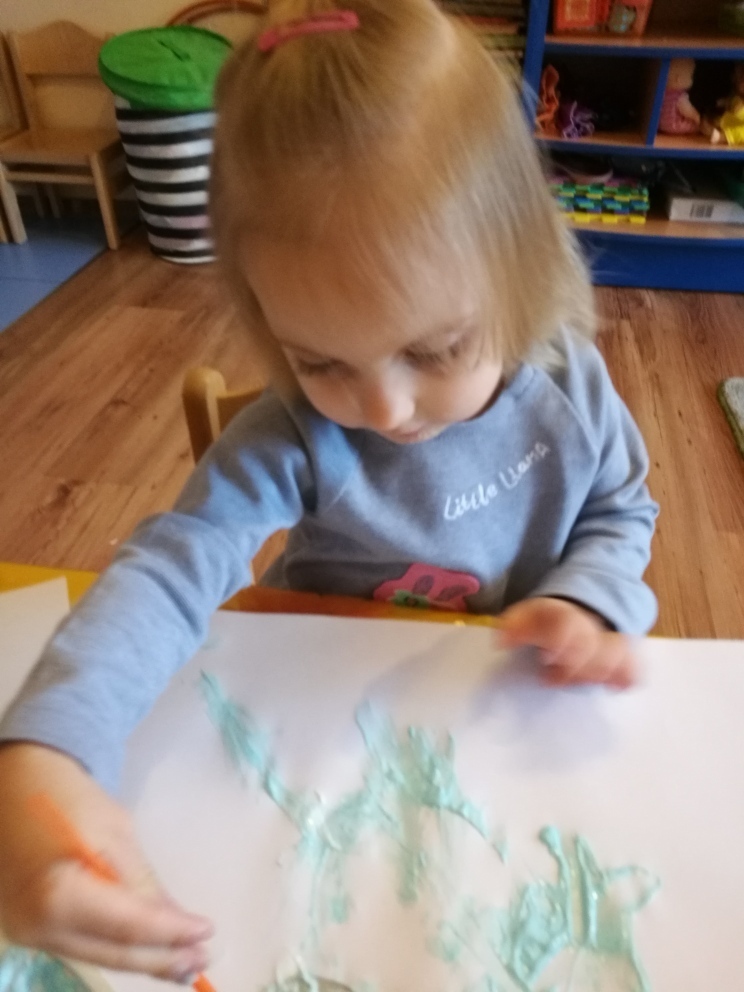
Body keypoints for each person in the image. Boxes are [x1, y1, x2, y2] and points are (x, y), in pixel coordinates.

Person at [0, 0, 658, 983]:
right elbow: (171, 569)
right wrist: (45, 750)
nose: (384, 408)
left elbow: (620, 507)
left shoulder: (569, 388)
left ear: (522, 270)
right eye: (319, 360)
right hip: (316, 728)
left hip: (501, 721)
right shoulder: (295, 438)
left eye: (435, 349)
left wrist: (589, 599)